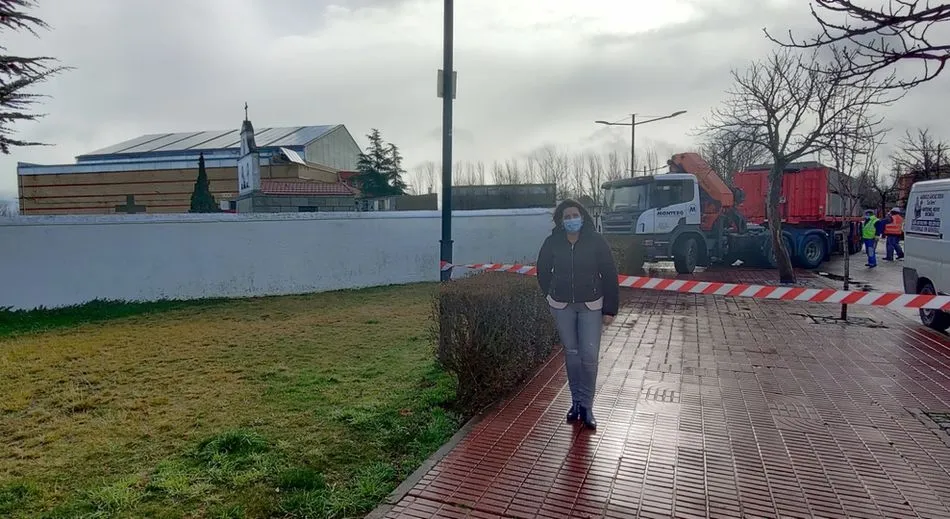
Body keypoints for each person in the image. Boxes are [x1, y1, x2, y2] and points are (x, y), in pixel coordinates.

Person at [536, 199, 620, 431]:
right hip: (562, 306)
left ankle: (587, 406)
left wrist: (610, 309)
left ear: (582, 217)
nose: (571, 219)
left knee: (589, 356)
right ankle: (574, 403)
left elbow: (609, 274)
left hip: (591, 305)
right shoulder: (553, 242)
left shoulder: (596, 241)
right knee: (572, 354)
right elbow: (542, 270)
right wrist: (550, 295)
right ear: (561, 221)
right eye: (567, 216)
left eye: (575, 215)